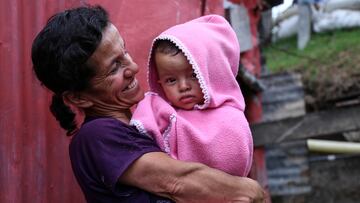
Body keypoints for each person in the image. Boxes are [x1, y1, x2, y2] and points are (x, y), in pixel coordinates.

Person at [31, 5, 265, 203]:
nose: (132, 68)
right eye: (114, 68)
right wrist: (251, 191)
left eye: (125, 52)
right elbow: (178, 182)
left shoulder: (142, 123)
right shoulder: (96, 137)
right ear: (78, 98)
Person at [131, 15, 253, 177]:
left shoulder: (230, 118)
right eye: (171, 80)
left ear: (212, 71)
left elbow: (235, 162)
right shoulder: (158, 113)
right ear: (159, 82)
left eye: (194, 75)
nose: (183, 86)